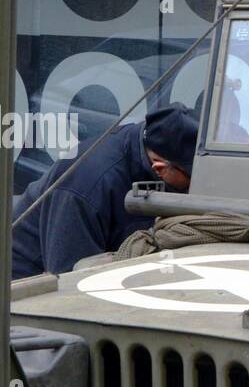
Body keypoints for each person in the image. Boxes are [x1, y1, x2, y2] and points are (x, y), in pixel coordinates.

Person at [12, 103, 199, 278]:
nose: (197, 182)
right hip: (22, 287)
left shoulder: (152, 142)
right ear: (160, 168)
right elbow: (69, 279)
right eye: (193, 176)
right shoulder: (87, 185)